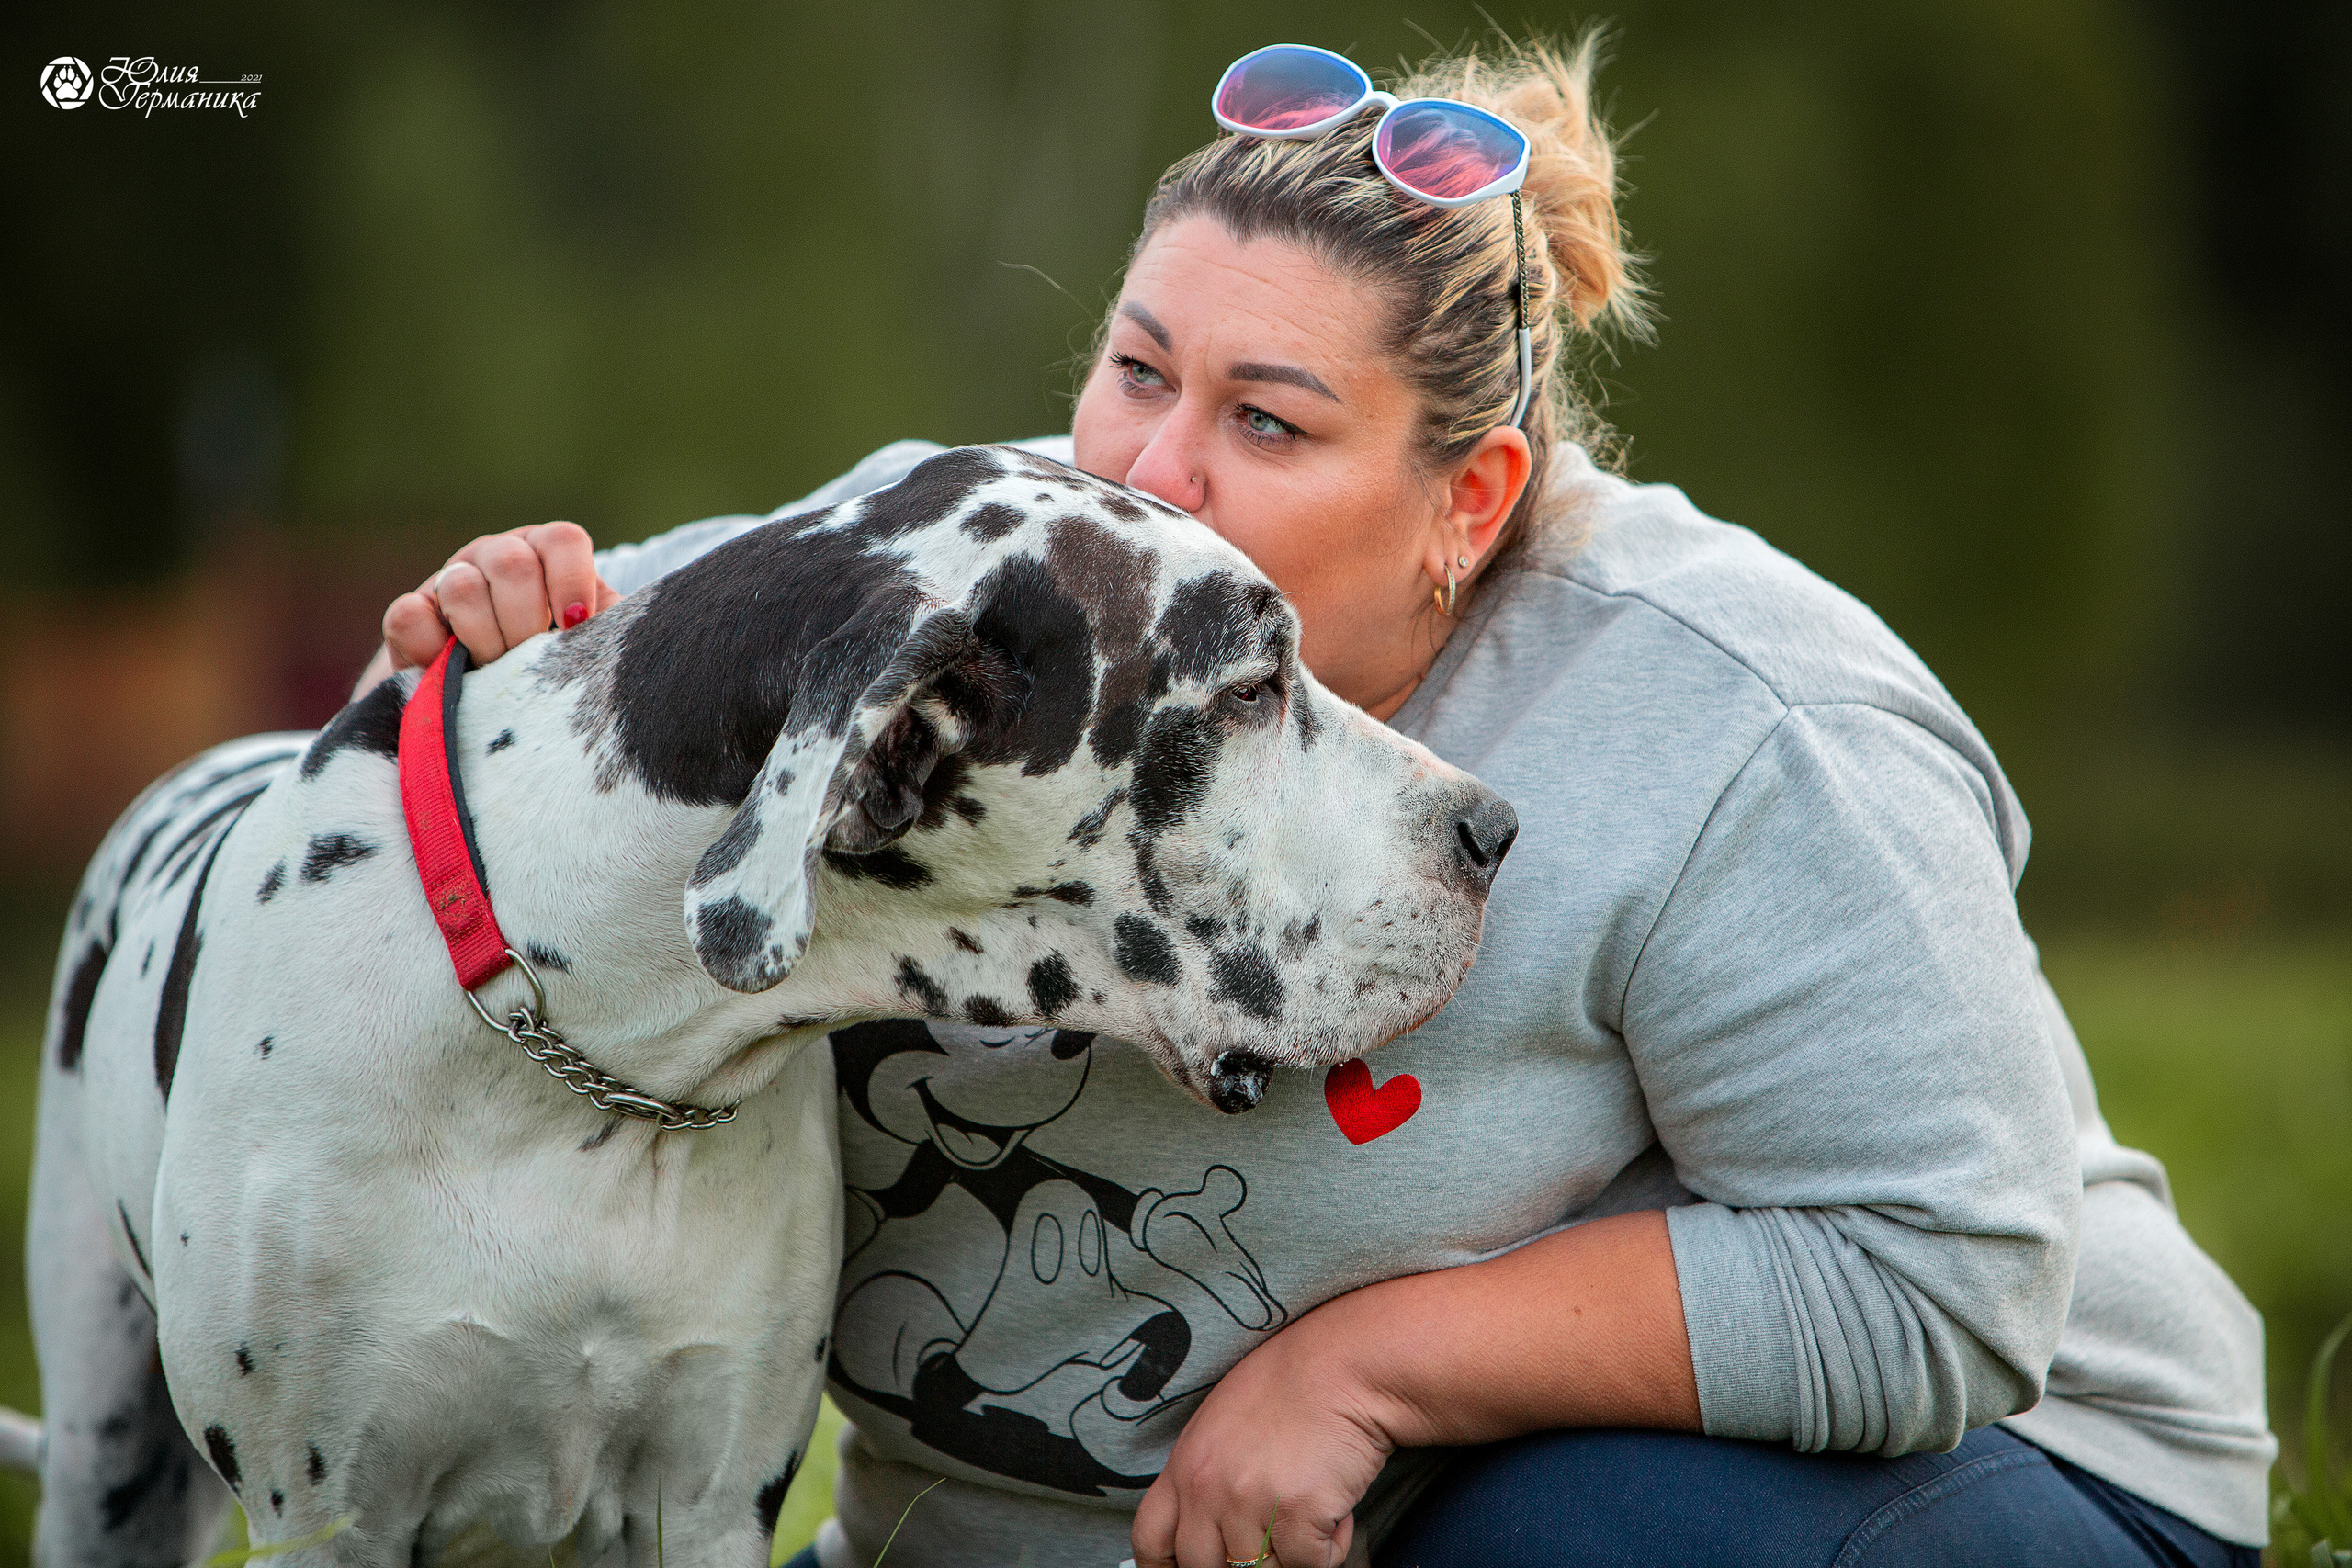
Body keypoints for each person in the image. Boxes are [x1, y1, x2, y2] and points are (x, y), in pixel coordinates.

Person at [363, 36, 2273, 1568]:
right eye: (1132, 370)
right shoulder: (978, 576)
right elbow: (586, 708)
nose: (1152, 472)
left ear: (1468, 497)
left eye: (1267, 421)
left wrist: (1367, 1368)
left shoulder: (1739, 718)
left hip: (1959, 1476)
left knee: (1566, 1536)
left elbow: (1935, 1277)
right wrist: (516, 623)